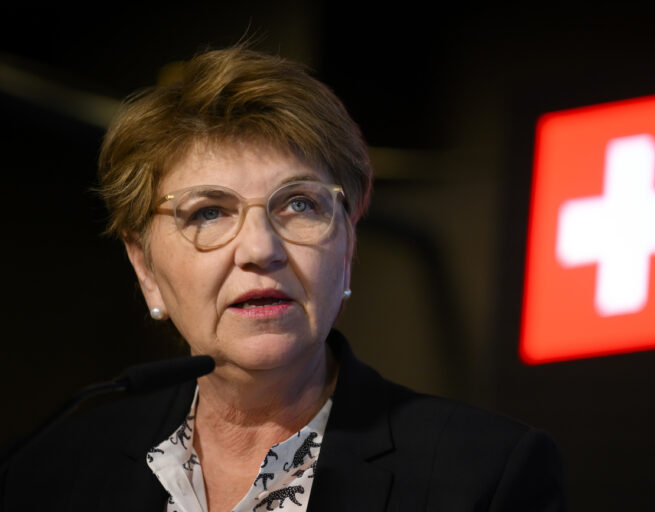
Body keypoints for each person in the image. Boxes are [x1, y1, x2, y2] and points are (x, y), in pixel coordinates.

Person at [0, 46, 566, 511]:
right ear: (146, 270)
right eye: (209, 212)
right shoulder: (56, 474)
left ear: (347, 247)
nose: (261, 249)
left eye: (298, 205)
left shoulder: (485, 477)